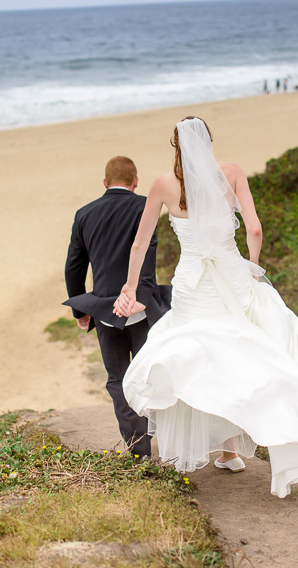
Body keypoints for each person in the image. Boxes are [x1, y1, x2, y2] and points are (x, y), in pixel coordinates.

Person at [113, 117, 298, 498]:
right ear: (209, 141)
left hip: (192, 284)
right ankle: (232, 450)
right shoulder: (231, 174)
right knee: (239, 354)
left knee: (198, 358)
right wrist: (251, 264)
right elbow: (255, 228)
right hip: (231, 278)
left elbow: (138, 244)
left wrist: (130, 287)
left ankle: (208, 449)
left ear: (176, 146)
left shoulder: (163, 185)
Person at [63, 155, 171, 458]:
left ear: (105, 182)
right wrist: (142, 295)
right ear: (135, 181)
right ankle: (166, 437)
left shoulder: (84, 214)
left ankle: (139, 450)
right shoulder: (144, 206)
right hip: (141, 307)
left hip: (105, 310)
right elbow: (147, 255)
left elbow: (74, 267)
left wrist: (81, 309)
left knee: (118, 379)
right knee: (149, 374)